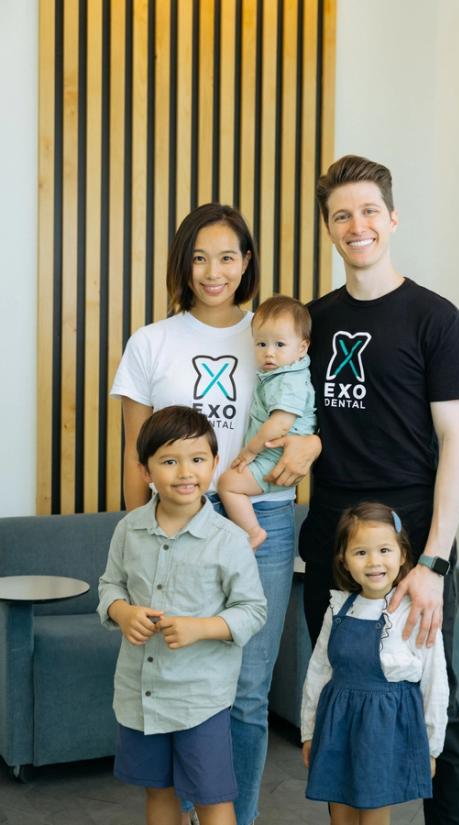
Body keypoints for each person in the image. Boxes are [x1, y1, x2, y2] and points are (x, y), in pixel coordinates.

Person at [110, 202, 321, 825]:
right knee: (176, 689)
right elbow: (135, 451)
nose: (213, 271)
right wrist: (137, 535)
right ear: (183, 263)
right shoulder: (151, 342)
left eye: (228, 256)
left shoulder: (275, 328)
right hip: (172, 528)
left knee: (247, 692)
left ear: (246, 262)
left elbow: (308, 417)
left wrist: (314, 443)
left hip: (264, 521)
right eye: (199, 257)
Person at [297, 155, 459, 825]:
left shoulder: (437, 319)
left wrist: (432, 559)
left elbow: (457, 442)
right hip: (333, 539)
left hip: (410, 547)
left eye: (369, 210)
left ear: (392, 218)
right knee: (343, 693)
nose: (357, 224)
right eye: (342, 214)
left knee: (438, 699)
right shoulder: (313, 324)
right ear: (329, 228)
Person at [97, 405, 267, 825]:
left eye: (197, 460)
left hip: (200, 699)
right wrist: (121, 612)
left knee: (212, 797)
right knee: (159, 791)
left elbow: (252, 610)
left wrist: (201, 628)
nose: (185, 472)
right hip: (141, 693)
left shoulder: (230, 539)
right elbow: (109, 586)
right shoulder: (128, 529)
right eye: (169, 461)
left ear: (214, 463)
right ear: (145, 471)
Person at [301, 502, 449, 825]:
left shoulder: (415, 611)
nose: (374, 562)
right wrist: (309, 731)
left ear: (402, 555)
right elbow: (318, 672)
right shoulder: (338, 607)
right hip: (338, 727)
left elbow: (434, 682)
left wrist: (432, 746)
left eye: (384, 550)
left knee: (373, 816)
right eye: (361, 552)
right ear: (344, 559)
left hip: (384, 732)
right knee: (340, 813)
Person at [218, 295, 316, 548]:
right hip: (272, 455)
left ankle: (253, 532)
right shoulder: (280, 374)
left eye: (280, 344)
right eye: (261, 344)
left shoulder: (288, 381)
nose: (269, 352)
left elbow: (281, 423)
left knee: (228, 484)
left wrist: (250, 451)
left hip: (275, 458)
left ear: (302, 348)